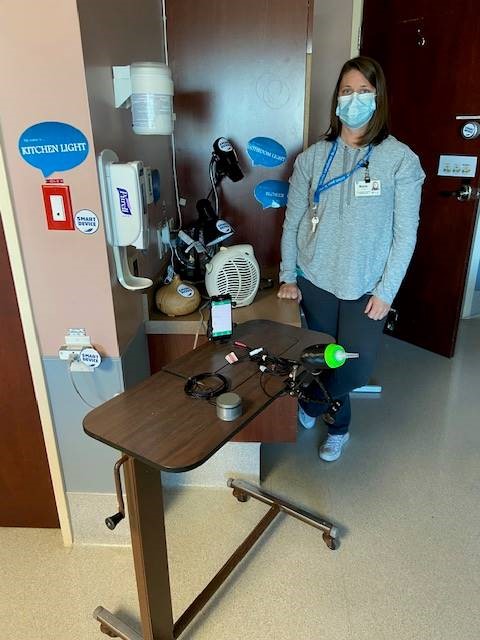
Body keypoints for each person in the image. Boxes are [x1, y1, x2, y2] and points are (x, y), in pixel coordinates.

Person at [277, 56, 425, 462]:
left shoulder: (400, 161)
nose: (354, 99)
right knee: (322, 358)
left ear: (378, 99)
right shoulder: (311, 158)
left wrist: (387, 290)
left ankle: (310, 404)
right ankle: (338, 428)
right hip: (316, 279)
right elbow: (292, 222)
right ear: (336, 99)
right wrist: (289, 274)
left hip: (367, 288)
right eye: (346, 91)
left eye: (364, 91)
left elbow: (404, 235)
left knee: (354, 368)